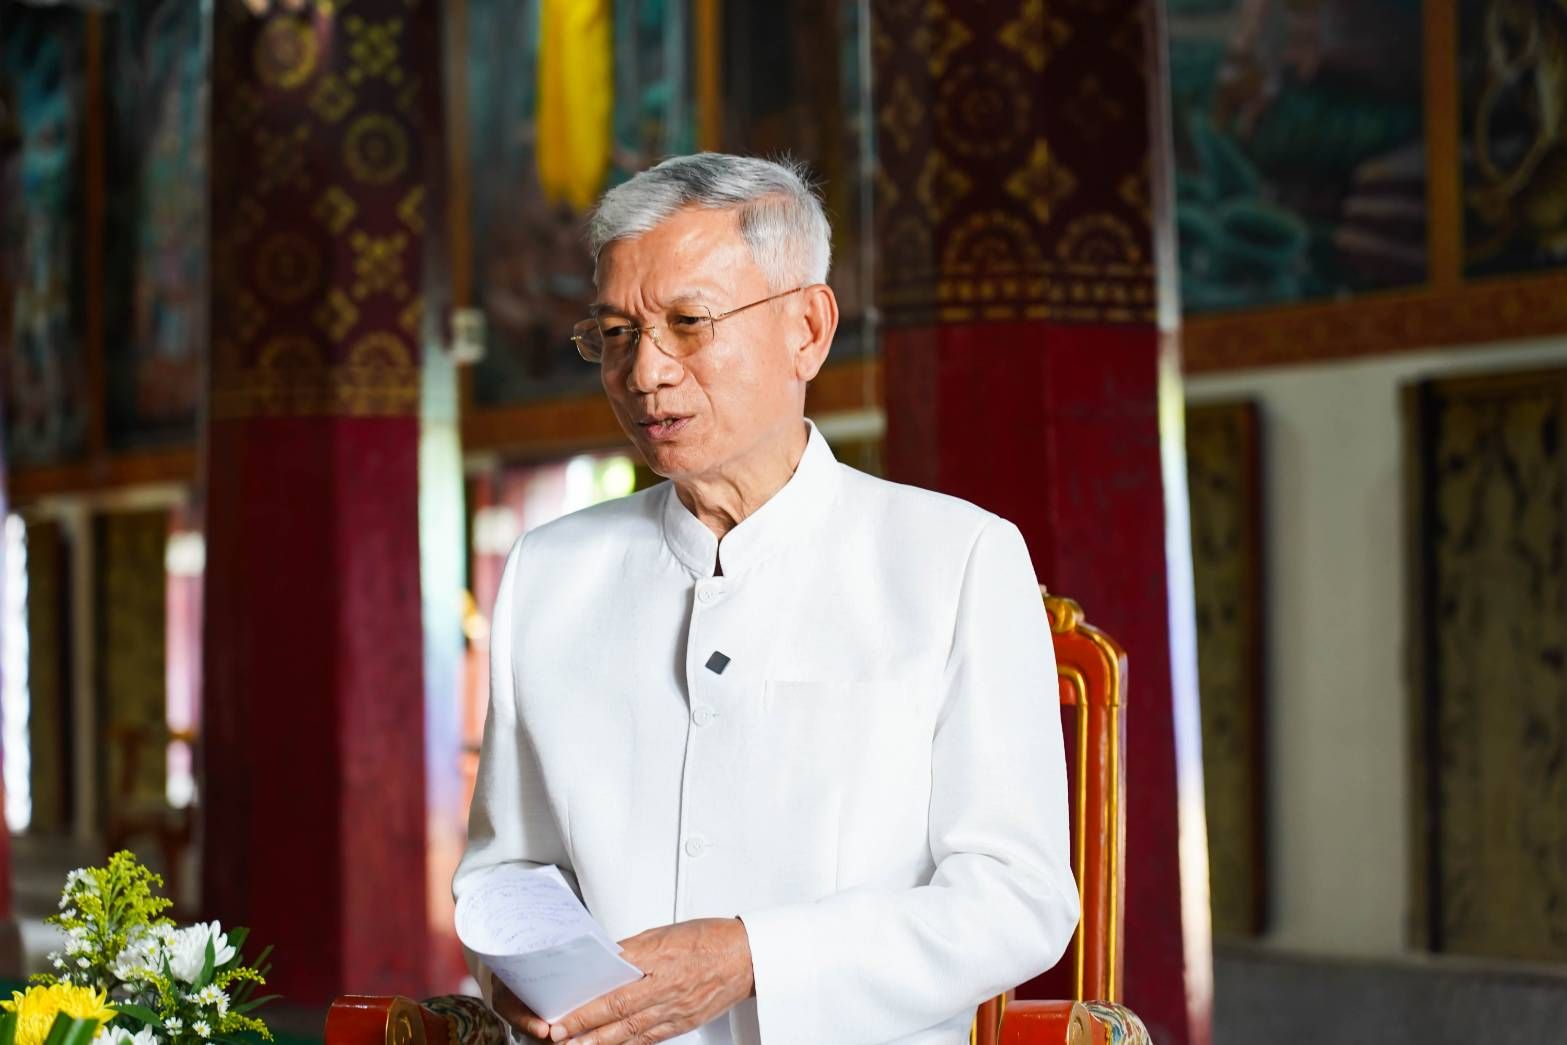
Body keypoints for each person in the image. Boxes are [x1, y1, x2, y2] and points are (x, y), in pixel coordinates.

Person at [453, 153, 1079, 1045]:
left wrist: (753, 956)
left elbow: (1017, 898)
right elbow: (509, 867)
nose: (645, 371)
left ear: (806, 330)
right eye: (617, 333)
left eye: (688, 323)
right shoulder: (549, 573)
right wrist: (521, 967)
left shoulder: (955, 559)